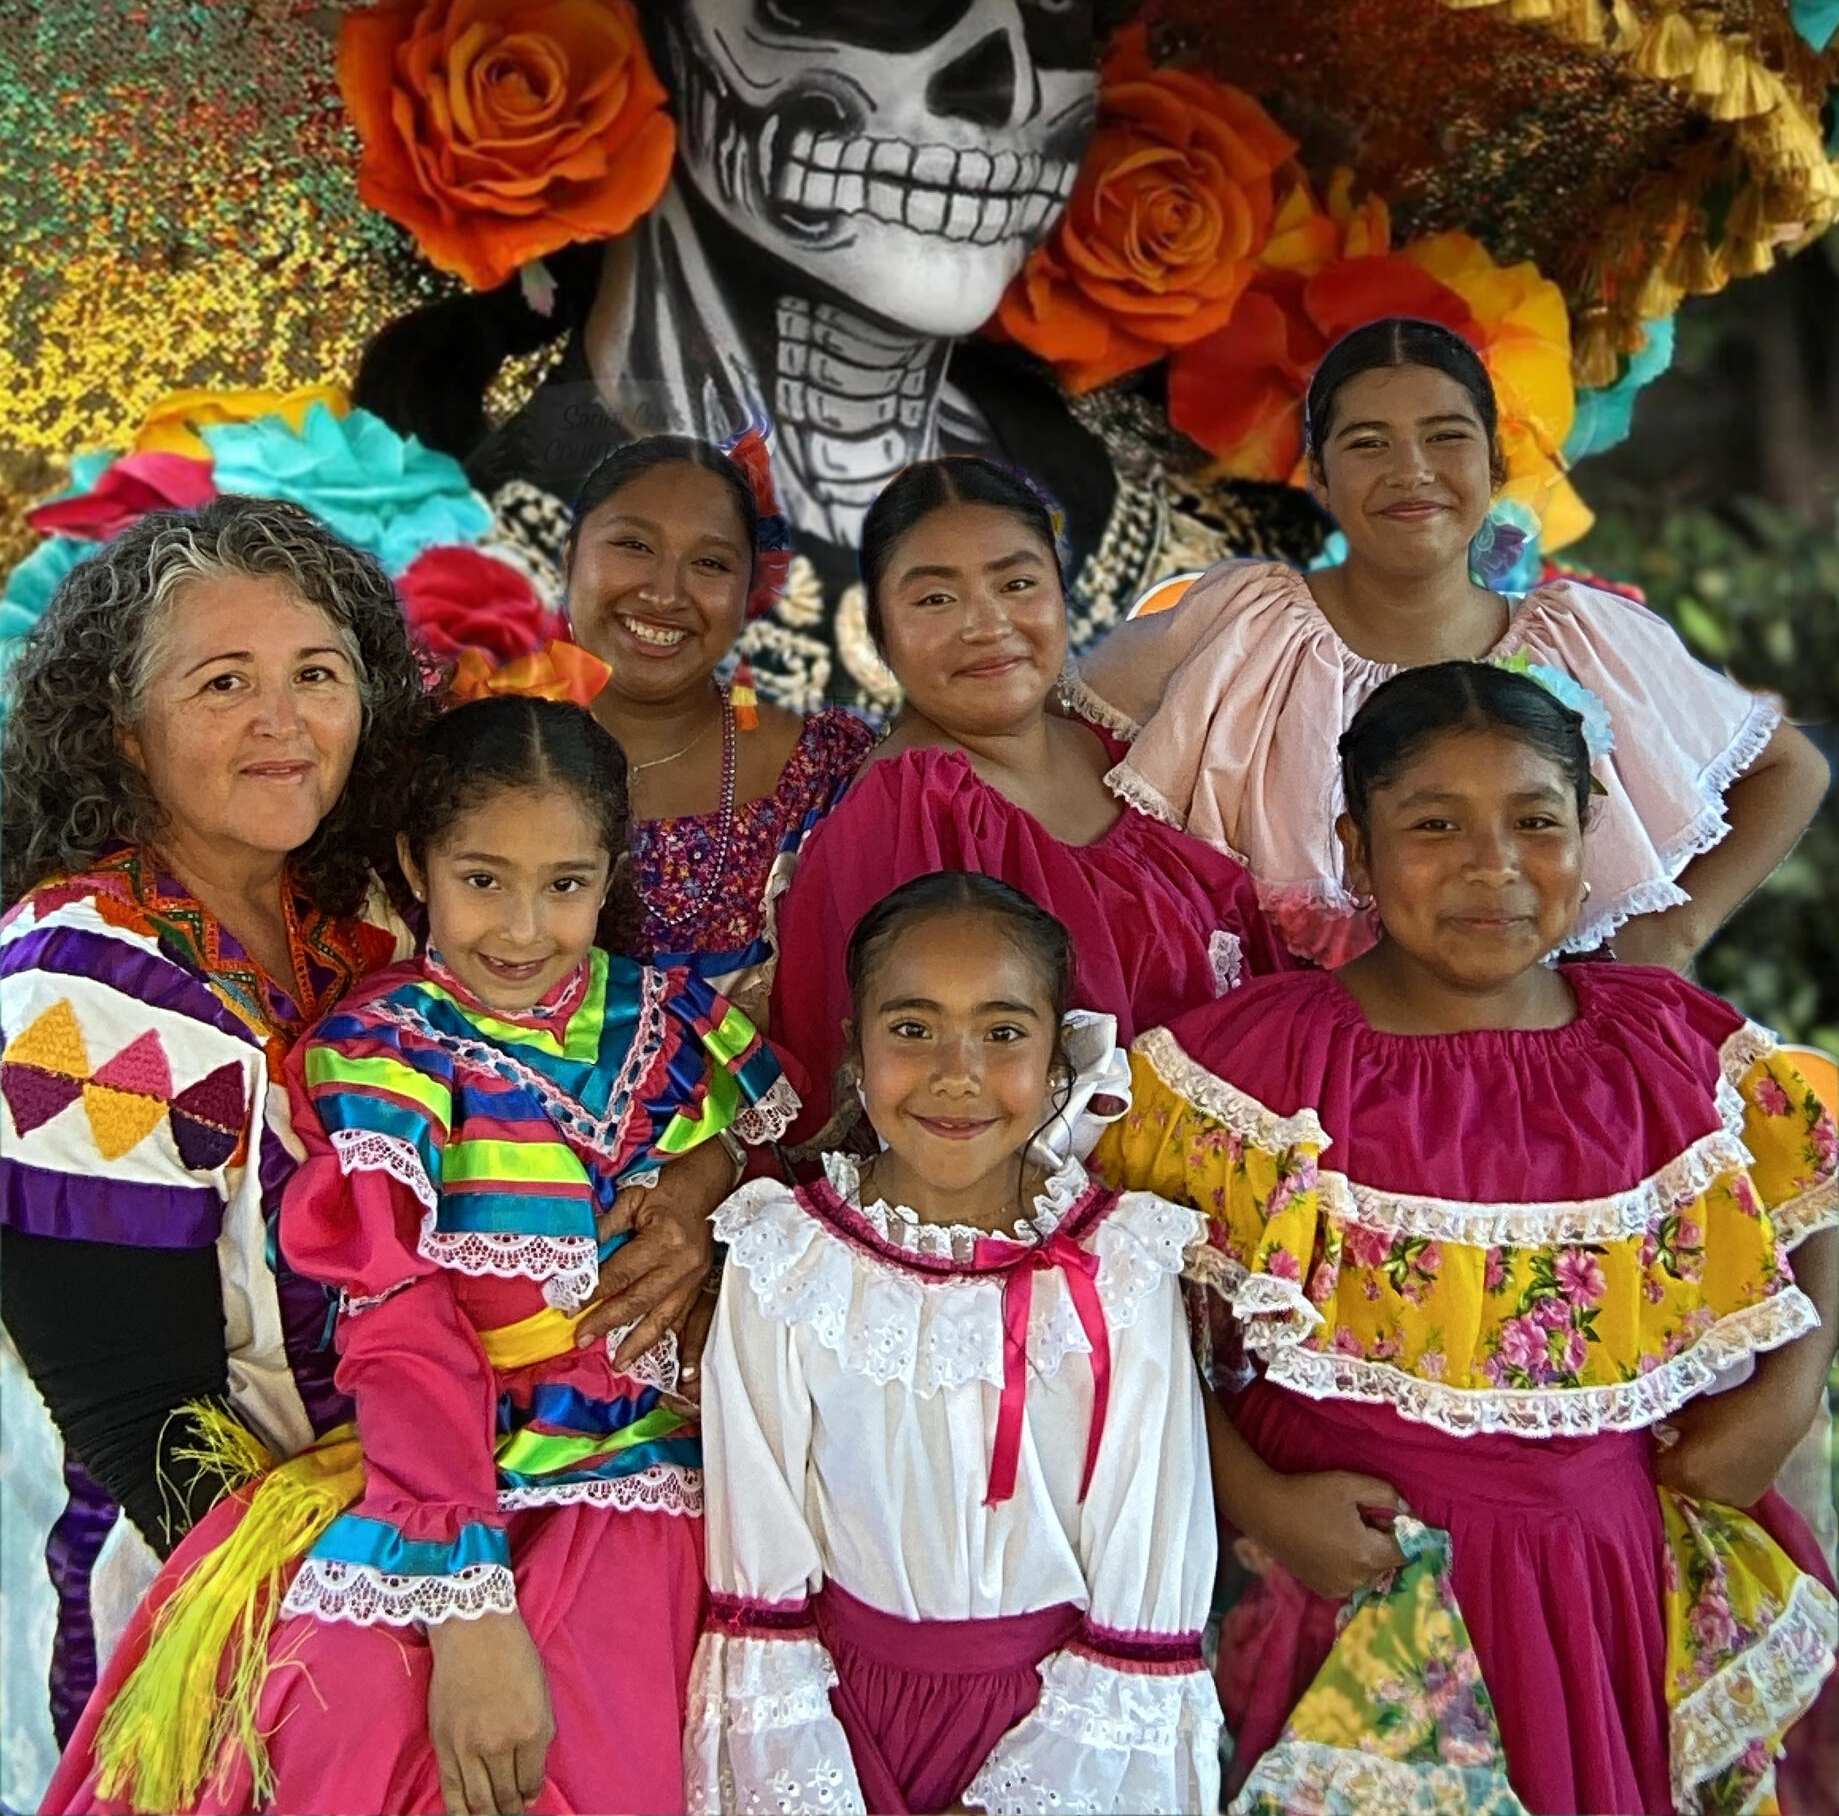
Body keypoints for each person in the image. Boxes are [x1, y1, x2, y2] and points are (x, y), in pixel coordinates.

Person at [1092, 663, 1838, 1816]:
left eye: (1535, 822)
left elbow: (1820, 1177)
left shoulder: (1664, 1048)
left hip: (1606, 1577)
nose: (1492, 866)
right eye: (1434, 825)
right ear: (1354, 846)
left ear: (1590, 831)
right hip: (1343, 1582)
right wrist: (1256, 1496)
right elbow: (1105, 1307)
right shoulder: (1245, 1073)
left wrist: (1790, 1387)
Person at [46, 692, 797, 1816]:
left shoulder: (676, 1023)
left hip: (682, 1475)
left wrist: (711, 1176)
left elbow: (779, 1171)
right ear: (415, 861)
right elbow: (404, 1328)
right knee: (371, 1723)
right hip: (456, 1473)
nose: (522, 930)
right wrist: (467, 1593)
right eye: (481, 878)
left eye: (567, 884)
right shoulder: (387, 1054)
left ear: (610, 870)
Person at [0, 500, 424, 1790]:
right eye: (223, 681)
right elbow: (141, 1421)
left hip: (401, 1551)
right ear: (124, 729)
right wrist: (363, 1620)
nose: (282, 722)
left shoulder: (361, 928)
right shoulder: (81, 994)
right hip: (203, 1610)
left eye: (316, 674)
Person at [688, 870, 1221, 1816]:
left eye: (1004, 1033)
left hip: (1063, 1730)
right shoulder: (784, 1262)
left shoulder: (1121, 1272)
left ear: (1060, 1061)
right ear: (855, 1049)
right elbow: (758, 1569)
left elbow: (1149, 1569)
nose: (955, 1071)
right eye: (911, 1027)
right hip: (838, 1730)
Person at [1077, 317, 1830, 971]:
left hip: (1538, 1083)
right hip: (1282, 1090)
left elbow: (1788, 768)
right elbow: (1043, 738)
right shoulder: (1238, 630)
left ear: (1492, 465)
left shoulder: (1587, 642)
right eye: (1368, 443)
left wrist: (1675, 931)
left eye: (1445, 437)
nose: (1411, 471)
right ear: (1319, 478)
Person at [769, 456, 1285, 1139]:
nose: (986, 624)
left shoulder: (1118, 751)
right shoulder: (911, 810)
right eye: (934, 600)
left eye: (1016, 583)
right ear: (879, 635)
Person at [561, 433, 872, 988]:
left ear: (750, 587)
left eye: (709, 562)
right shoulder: (475, 748)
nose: (664, 593)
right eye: (634, 545)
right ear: (568, 558)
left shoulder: (824, 773)